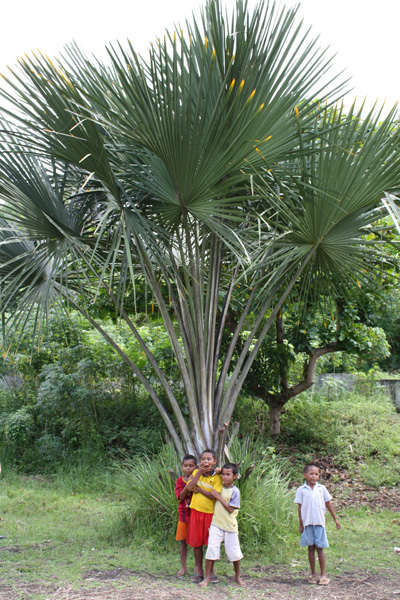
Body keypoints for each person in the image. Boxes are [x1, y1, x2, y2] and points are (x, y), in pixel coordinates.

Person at [199, 462, 245, 588]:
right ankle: (207, 577)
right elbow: (215, 472)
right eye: (223, 474)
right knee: (212, 549)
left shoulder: (235, 491)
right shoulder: (219, 484)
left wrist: (218, 497)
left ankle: (237, 576)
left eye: (228, 475)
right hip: (216, 524)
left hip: (230, 526)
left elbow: (230, 509)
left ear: (235, 476)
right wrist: (219, 471)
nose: (225, 477)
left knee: (234, 552)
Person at [294, 463, 341, 585]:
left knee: (320, 548)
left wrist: (335, 519)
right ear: (305, 475)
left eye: (316, 474)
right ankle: (313, 574)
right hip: (308, 524)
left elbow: (328, 503)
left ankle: (323, 574)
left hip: (319, 523)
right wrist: (301, 524)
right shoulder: (301, 490)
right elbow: (299, 508)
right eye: (311, 474)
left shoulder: (321, 489)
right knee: (310, 548)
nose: (314, 476)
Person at [186, 449, 222, 583]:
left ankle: (210, 571)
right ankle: (199, 570)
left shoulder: (217, 477)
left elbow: (214, 496)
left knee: (210, 543)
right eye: (203, 459)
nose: (205, 461)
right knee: (196, 543)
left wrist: (200, 490)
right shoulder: (196, 472)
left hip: (210, 514)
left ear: (214, 461)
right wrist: (199, 473)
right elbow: (189, 488)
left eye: (209, 459)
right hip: (196, 512)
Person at [175, 454, 197, 577]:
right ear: (182, 467)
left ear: (196, 467)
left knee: (195, 542)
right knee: (183, 541)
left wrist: (192, 482)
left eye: (191, 466)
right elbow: (181, 496)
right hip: (183, 515)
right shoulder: (180, 481)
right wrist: (188, 486)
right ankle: (183, 566)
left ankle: (196, 566)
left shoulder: (198, 479)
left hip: (195, 514)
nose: (188, 468)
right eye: (186, 466)